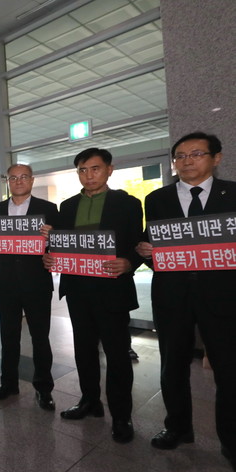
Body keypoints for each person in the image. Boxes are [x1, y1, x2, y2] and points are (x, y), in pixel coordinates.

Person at [136, 132, 236, 467]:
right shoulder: (157, 198)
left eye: (196, 154)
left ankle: (231, 438)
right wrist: (146, 251)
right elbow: (154, 242)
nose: (187, 161)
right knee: (172, 365)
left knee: (228, 368)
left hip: (222, 295)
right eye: (180, 156)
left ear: (216, 158)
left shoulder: (233, 194)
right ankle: (178, 428)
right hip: (172, 294)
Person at [43, 148, 143, 444]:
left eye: (95, 169)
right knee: (84, 349)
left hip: (112, 288)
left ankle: (121, 415)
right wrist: (50, 256)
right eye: (83, 170)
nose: (89, 175)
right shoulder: (67, 206)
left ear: (109, 170)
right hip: (78, 289)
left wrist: (130, 262)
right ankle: (90, 400)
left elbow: (137, 243)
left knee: (117, 354)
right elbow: (60, 245)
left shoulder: (127, 203)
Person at [0, 164, 58, 410]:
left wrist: (53, 236)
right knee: (8, 337)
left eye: (24, 177)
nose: (18, 181)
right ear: (7, 181)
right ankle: (8, 384)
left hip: (37, 282)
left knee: (40, 337)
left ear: (32, 180)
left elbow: (59, 245)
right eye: (13, 177)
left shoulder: (48, 209)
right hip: (6, 282)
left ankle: (44, 388)